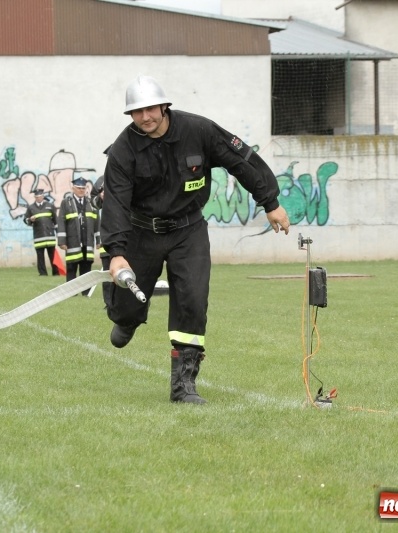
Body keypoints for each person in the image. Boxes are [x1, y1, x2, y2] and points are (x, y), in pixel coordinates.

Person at [101, 75, 291, 404]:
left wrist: (270, 202)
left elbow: (241, 160)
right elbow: (115, 202)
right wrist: (116, 253)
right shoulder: (123, 149)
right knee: (126, 303)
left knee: (192, 300)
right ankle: (127, 319)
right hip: (140, 232)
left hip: (188, 231)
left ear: (164, 106)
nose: (145, 117)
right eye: (137, 112)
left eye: (150, 109)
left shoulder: (198, 131)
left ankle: (184, 386)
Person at [57, 176, 100, 295]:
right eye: (79, 188)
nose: (81, 190)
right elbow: (61, 222)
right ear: (73, 188)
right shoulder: (66, 203)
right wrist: (62, 241)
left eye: (83, 188)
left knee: (86, 268)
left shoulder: (91, 203)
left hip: (88, 242)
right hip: (72, 242)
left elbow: (97, 222)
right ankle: (71, 292)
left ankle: (86, 292)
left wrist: (99, 239)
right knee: (72, 267)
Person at [90, 173, 113, 308]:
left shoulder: (133, 174)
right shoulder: (101, 180)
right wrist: (100, 197)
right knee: (107, 272)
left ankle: (127, 303)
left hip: (130, 231)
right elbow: (93, 203)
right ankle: (109, 302)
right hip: (108, 232)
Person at [24, 189, 59, 276]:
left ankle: (56, 272)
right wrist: (30, 220)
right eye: (37, 197)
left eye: (40, 197)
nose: (38, 198)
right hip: (38, 236)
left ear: (43, 196)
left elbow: (56, 221)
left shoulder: (50, 206)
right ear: (35, 197)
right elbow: (25, 220)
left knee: (53, 256)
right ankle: (42, 273)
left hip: (50, 236)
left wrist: (58, 233)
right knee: (40, 256)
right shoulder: (31, 208)